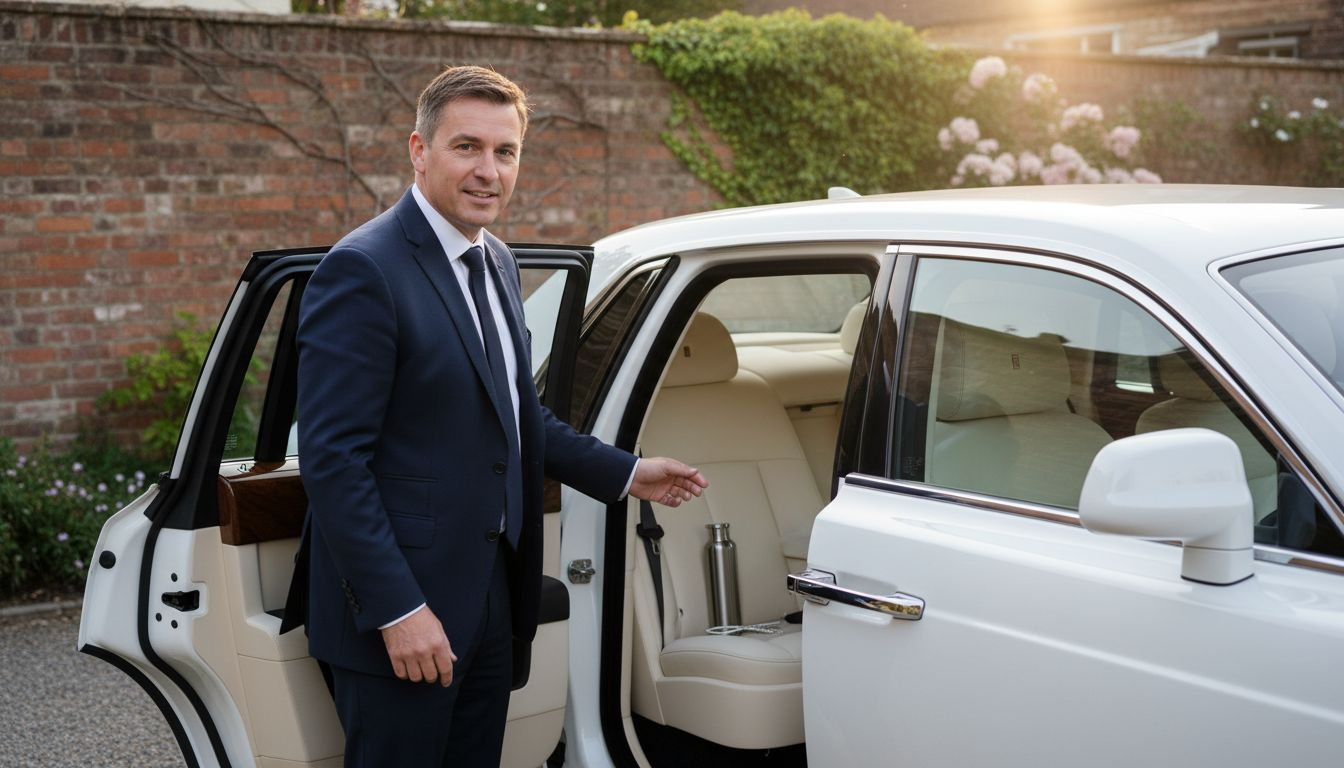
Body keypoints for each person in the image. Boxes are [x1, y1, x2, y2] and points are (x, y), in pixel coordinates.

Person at [291, 65, 708, 767]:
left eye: (505, 152)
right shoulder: (363, 270)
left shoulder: (498, 262)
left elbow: (516, 416)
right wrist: (399, 610)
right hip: (403, 611)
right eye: (467, 148)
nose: (489, 171)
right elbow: (333, 461)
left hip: (488, 596)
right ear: (419, 150)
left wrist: (627, 471)